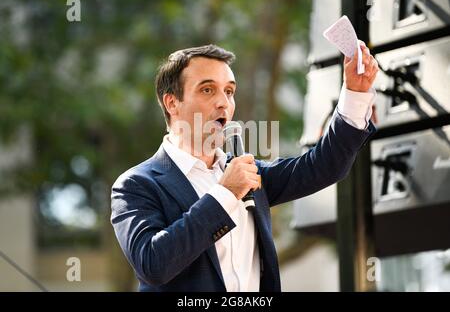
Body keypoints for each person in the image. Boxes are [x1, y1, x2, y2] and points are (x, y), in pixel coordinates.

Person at [110, 43, 379, 292]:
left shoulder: (249, 173)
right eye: (207, 89)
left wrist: (355, 93)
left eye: (229, 91)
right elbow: (153, 264)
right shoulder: (136, 185)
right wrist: (225, 194)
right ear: (172, 103)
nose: (223, 102)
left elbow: (322, 166)